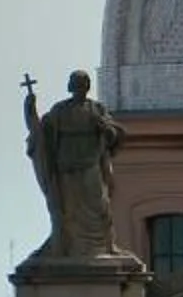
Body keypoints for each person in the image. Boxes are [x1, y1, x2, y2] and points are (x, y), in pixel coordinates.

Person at [24, 70, 127, 260]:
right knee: (68, 212)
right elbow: (42, 133)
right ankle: (68, 246)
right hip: (67, 168)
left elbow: (114, 133)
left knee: (99, 208)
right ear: (71, 87)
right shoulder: (60, 110)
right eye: (76, 84)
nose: (80, 88)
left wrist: (105, 128)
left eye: (83, 84)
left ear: (87, 87)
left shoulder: (97, 109)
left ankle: (104, 246)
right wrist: (30, 111)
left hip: (90, 166)